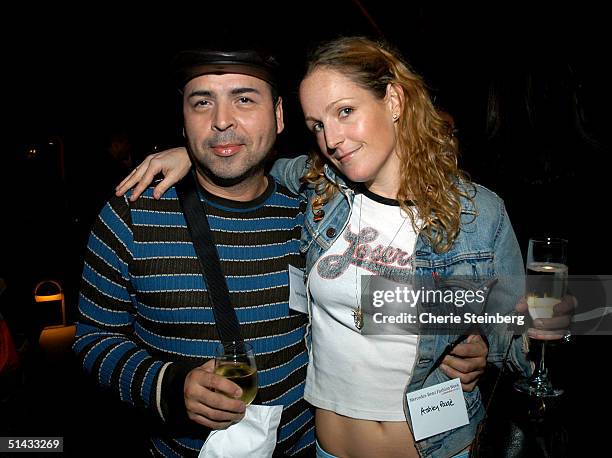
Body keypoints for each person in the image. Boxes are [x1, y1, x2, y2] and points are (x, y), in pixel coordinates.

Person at [114, 37, 546, 458]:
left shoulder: (478, 212)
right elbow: (246, 157)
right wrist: (194, 153)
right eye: (318, 125)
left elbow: (522, 328)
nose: (332, 139)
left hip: (440, 447)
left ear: (393, 101)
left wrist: (485, 343)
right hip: (328, 448)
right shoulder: (321, 191)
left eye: (345, 111)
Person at [74, 46, 317, 457]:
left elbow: (363, 305)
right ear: (183, 122)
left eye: (244, 99)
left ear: (278, 115)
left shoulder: (310, 215)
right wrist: (166, 386)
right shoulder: (131, 214)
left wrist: (453, 339)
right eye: (202, 102)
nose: (221, 120)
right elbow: (94, 338)